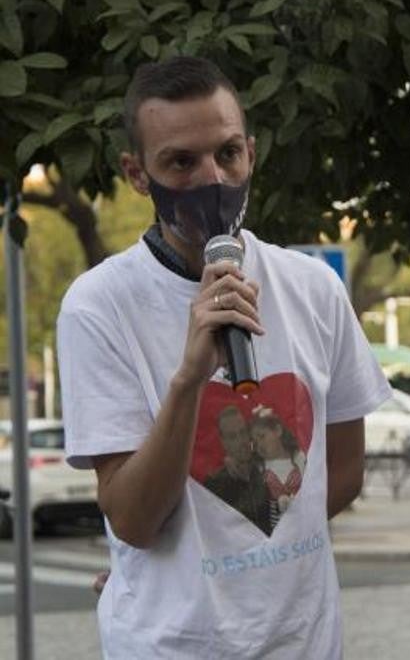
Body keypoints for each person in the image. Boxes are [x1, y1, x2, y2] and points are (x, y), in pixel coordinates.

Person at [56, 56, 392, 658]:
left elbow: (340, 474)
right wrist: (189, 377)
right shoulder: (98, 307)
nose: (212, 178)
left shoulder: (313, 288)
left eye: (228, 153)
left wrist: (239, 549)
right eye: (181, 162)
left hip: (305, 643)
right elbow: (132, 519)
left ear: (252, 153)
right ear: (137, 173)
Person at [203, 404, 271, 535]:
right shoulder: (214, 485)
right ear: (223, 442)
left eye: (243, 432)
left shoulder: (267, 466)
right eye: (233, 437)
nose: (241, 441)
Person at [250, 404, 307, 529]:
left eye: (262, 436)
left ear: (278, 431)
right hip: (272, 531)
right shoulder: (259, 467)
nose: (259, 444)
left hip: (301, 527)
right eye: (255, 441)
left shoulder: (299, 458)